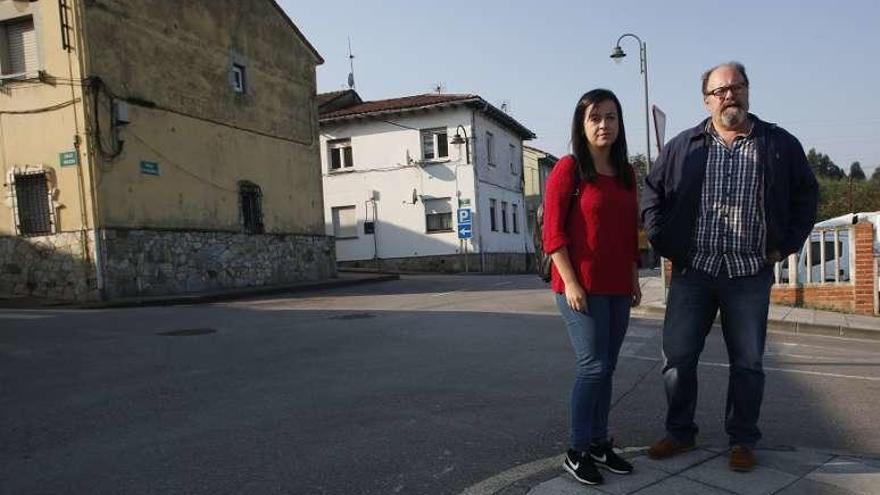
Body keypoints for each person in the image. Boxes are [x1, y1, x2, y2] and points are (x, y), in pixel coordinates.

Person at [641, 62, 818, 472]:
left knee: (749, 362)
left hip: (748, 274)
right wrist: (665, 242)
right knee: (678, 358)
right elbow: (652, 195)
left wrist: (786, 244)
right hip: (693, 272)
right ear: (706, 100)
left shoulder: (778, 144)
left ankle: (742, 440)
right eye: (720, 91)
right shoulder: (684, 146)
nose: (729, 96)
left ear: (748, 92)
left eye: (736, 87)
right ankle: (680, 433)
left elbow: (805, 197)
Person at [542, 89, 641, 486]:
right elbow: (552, 233)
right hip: (578, 286)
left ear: (620, 123)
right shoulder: (568, 169)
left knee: (609, 367)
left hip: (618, 286)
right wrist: (570, 281)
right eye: (595, 117)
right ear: (581, 125)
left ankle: (600, 443)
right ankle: (577, 449)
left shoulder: (627, 173)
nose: (604, 125)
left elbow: (628, 232)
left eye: (611, 117)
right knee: (593, 365)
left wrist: (634, 276)